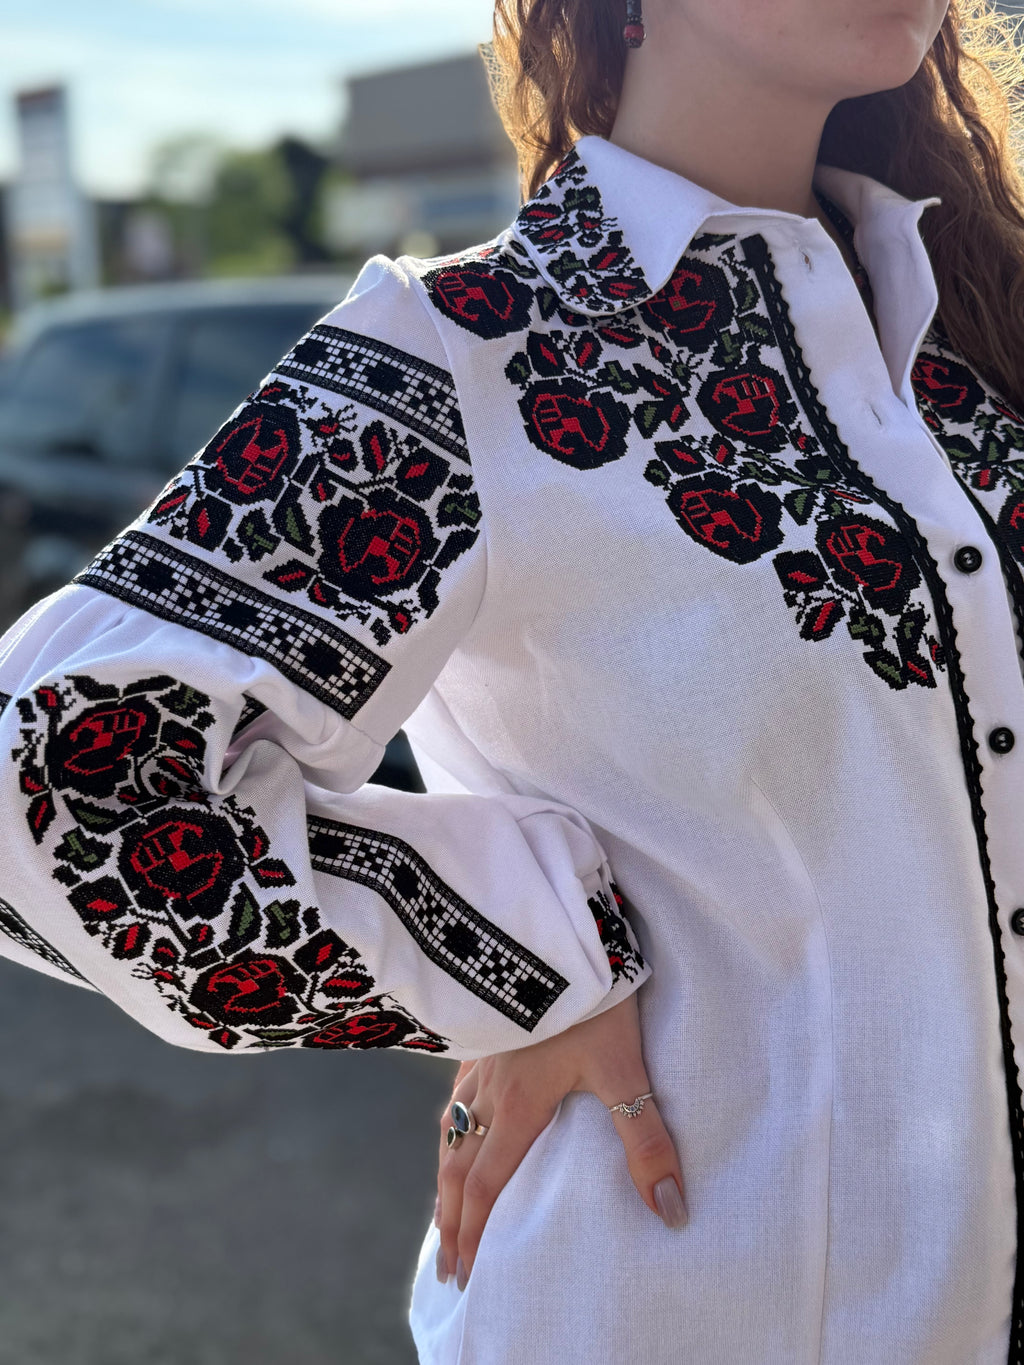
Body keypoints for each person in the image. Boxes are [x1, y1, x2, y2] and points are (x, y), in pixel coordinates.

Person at [2, 0, 1024, 1357]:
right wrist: (524, 956)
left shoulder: (971, 337)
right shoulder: (475, 349)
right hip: (695, 1309)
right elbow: (52, 778)